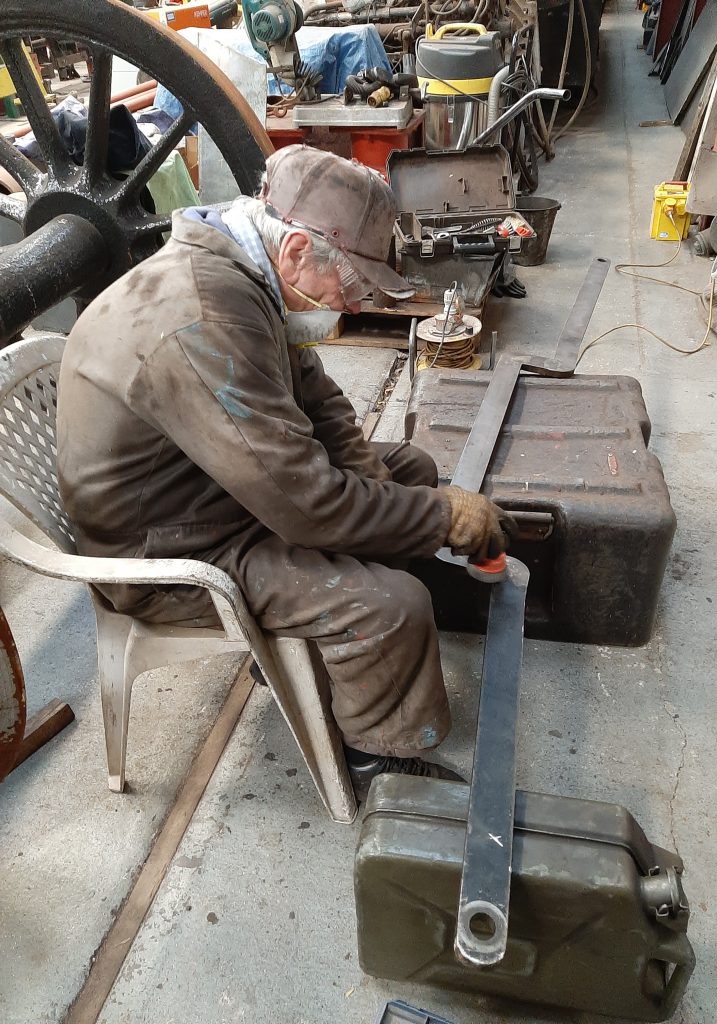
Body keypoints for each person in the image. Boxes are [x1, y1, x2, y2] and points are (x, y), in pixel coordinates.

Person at [57, 145, 507, 798]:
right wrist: (440, 516)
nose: (349, 303)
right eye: (350, 287)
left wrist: (390, 488)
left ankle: (327, 645)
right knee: (391, 607)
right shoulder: (205, 318)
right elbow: (308, 508)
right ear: (296, 251)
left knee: (409, 466)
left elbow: (315, 397)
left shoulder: (244, 270)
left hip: (211, 486)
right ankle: (378, 760)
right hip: (170, 549)